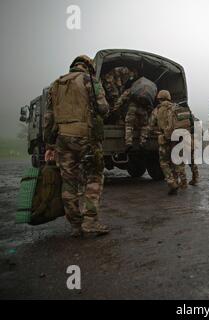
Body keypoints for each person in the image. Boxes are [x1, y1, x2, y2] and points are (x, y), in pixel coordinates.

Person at [44, 55, 110, 237]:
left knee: (69, 180)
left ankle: (75, 225)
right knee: (94, 176)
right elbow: (104, 108)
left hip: (62, 139)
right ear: (89, 67)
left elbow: (48, 118)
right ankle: (90, 221)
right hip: (85, 137)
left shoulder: (55, 84)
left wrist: (49, 145)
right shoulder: (90, 81)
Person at [149, 90, 185, 195]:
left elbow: (150, 125)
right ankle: (177, 181)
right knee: (175, 162)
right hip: (178, 139)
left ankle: (171, 182)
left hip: (164, 139)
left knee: (164, 162)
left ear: (159, 98)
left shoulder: (157, 110)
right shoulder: (177, 108)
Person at [112, 82, 152, 149]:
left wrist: (115, 108)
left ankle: (128, 142)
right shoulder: (148, 93)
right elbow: (150, 106)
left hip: (132, 109)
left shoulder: (132, 90)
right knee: (144, 126)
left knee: (129, 125)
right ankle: (142, 142)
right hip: (143, 111)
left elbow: (122, 99)